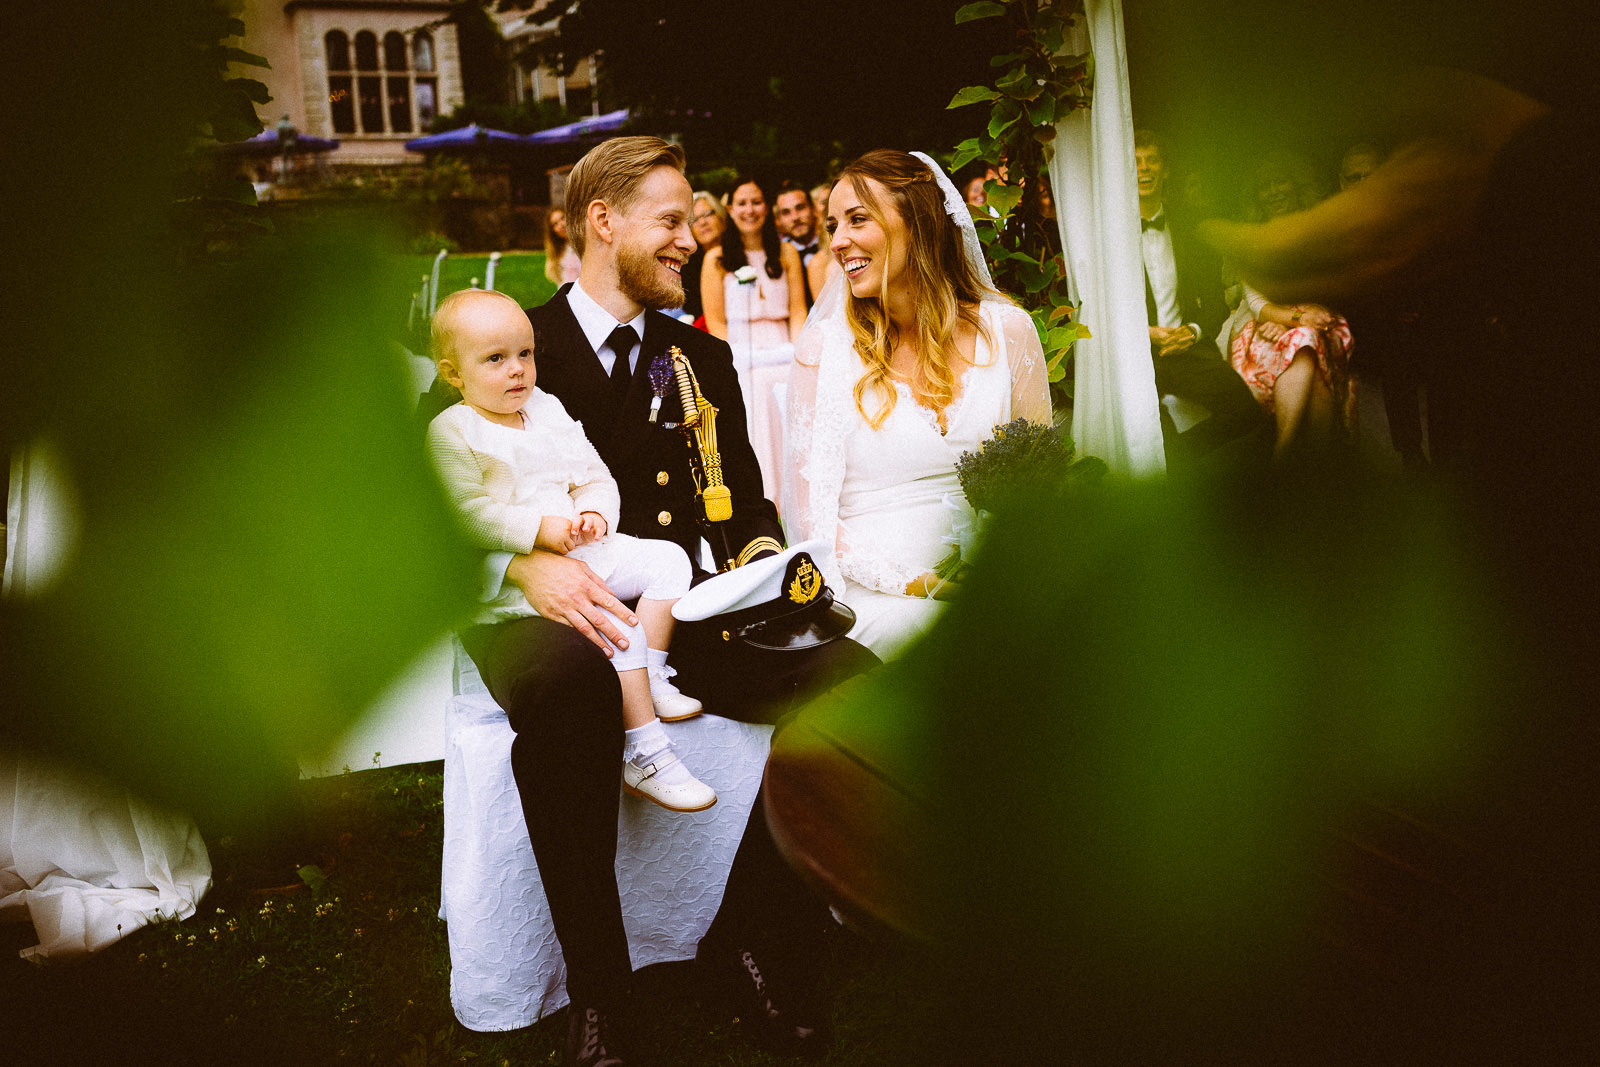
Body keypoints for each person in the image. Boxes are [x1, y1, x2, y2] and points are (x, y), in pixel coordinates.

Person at [429, 136, 877, 1066]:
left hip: (682, 597)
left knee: (847, 672)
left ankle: (755, 933)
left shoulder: (700, 359)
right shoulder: (512, 341)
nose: (690, 237)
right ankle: (601, 989)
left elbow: (747, 505)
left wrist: (761, 576)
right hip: (542, 609)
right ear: (604, 221)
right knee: (574, 690)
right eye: (671, 220)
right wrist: (521, 568)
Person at [426, 288, 716, 813]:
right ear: (453, 374)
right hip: (532, 574)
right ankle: (647, 753)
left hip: (582, 546)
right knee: (617, 624)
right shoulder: (453, 432)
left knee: (671, 561)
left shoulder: (546, 407)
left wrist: (596, 513)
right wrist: (537, 529)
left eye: (525, 354)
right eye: (495, 360)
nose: (517, 371)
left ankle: (650, 672)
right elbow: (464, 513)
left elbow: (593, 474)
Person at [785, 149, 1052, 661]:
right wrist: (918, 583)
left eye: (858, 219)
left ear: (918, 221)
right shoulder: (825, 352)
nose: (838, 241)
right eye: (833, 224)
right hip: (875, 596)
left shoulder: (1009, 332)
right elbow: (810, 522)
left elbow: (1040, 483)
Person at [1134, 130, 1266, 463]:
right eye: (1135, 162)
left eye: (1152, 160)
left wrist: (1192, 331)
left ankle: (1179, 459)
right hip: (1137, 355)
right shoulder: (1112, 232)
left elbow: (1215, 298)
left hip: (1187, 349)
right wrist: (1147, 333)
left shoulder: (1188, 227)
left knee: (1247, 412)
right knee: (1148, 430)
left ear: (1166, 170)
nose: (1144, 169)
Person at [1227, 150, 1357, 457]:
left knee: (1310, 339)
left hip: (1316, 314)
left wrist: (1296, 316)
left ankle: (1285, 455)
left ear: (1295, 185)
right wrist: (1290, 317)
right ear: (1256, 197)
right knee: (1305, 339)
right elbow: (1257, 302)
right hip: (1263, 324)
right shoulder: (1253, 238)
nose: (1273, 192)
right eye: (1265, 187)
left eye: (1280, 182)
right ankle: (1302, 458)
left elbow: (1330, 284)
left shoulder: (1317, 229)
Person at [701, 176, 806, 502]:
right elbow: (716, 321)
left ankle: (796, 496)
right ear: (730, 209)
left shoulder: (786, 253)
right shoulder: (716, 259)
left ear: (768, 207)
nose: (750, 210)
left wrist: (798, 356)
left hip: (783, 345)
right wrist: (735, 362)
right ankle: (761, 499)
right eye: (742, 203)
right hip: (740, 350)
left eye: (757, 202)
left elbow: (798, 310)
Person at [679, 190, 726, 324]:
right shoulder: (687, 268)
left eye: (707, 214)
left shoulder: (740, 252)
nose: (702, 223)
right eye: (694, 220)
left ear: (720, 215)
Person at [544, 207, 582, 286]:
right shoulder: (559, 254)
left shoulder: (586, 243)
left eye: (562, 218)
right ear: (553, 231)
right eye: (555, 224)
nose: (561, 225)